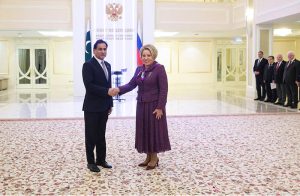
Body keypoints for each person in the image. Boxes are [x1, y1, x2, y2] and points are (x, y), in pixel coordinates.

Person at [112, 44, 171, 170]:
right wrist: (118, 89)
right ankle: (148, 157)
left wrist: (160, 107)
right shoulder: (139, 69)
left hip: (154, 105)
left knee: (153, 130)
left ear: (153, 55)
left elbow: (164, 89)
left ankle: (154, 157)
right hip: (141, 105)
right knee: (144, 129)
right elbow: (131, 84)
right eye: (143, 55)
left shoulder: (159, 68)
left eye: (148, 55)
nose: (146, 58)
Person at [82, 39, 115, 172]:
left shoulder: (108, 65)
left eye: (104, 49)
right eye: (100, 49)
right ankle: (91, 162)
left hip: (104, 106)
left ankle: (101, 160)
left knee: (101, 134)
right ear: (94, 50)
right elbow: (89, 86)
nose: (102, 51)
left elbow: (109, 86)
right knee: (91, 136)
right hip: (92, 107)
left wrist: (110, 103)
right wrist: (106, 92)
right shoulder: (88, 65)